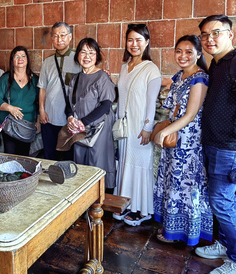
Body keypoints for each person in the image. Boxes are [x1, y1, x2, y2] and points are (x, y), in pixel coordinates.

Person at [194, 15, 236, 274]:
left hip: (230, 147)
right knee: (222, 201)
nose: (209, 39)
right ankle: (224, 244)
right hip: (213, 143)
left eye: (216, 33)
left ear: (230, 34)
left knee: (221, 201)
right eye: (204, 35)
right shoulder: (218, 64)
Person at [153, 35, 213, 246]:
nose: (183, 56)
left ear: (198, 54)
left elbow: (190, 114)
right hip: (175, 138)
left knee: (186, 185)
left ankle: (188, 232)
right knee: (172, 182)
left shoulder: (200, 78)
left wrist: (163, 132)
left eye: (189, 52)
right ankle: (172, 227)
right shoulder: (179, 75)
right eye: (179, 51)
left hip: (188, 142)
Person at [113, 23, 162, 226]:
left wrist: (147, 128)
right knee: (125, 164)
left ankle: (142, 209)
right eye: (130, 40)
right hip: (125, 126)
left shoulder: (151, 69)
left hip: (141, 126)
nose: (134, 44)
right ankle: (125, 203)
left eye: (138, 40)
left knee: (140, 165)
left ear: (147, 42)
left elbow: (151, 103)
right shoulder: (125, 67)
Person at [65, 38, 116, 189]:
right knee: (81, 165)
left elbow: (106, 105)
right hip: (80, 131)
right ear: (77, 55)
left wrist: (84, 121)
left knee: (97, 164)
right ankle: (84, 206)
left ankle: (98, 206)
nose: (87, 56)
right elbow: (69, 104)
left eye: (91, 53)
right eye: (83, 52)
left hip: (98, 130)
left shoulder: (102, 77)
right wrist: (70, 117)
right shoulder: (75, 78)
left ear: (97, 56)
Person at [38, 22, 81, 161]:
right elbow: (42, 88)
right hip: (49, 118)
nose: (59, 39)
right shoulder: (47, 62)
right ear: (52, 39)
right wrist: (42, 110)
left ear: (70, 37)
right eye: (55, 36)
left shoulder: (79, 59)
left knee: (68, 157)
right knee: (50, 155)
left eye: (63, 35)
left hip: (70, 119)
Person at [0, 46, 39, 156]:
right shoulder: (6, 79)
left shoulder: (35, 80)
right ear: (12, 61)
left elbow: (40, 102)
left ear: (27, 59)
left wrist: (38, 121)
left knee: (24, 156)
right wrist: (10, 108)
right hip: (10, 124)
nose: (20, 59)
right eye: (16, 56)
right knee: (10, 155)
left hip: (28, 124)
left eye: (23, 56)